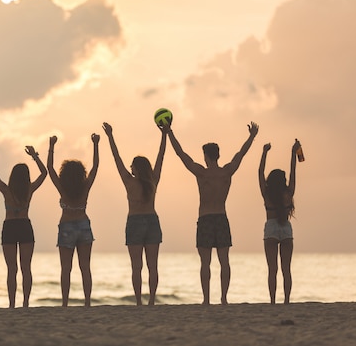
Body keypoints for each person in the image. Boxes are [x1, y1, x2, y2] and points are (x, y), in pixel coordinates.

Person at [166, 121, 259, 305]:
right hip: (221, 217)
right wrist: (251, 136)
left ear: (206, 156)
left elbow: (181, 154)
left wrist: (169, 132)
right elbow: (241, 154)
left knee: (205, 262)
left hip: (206, 219)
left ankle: (207, 300)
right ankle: (223, 299)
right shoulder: (227, 172)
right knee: (224, 261)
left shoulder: (202, 173)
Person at [102, 122, 167, 306]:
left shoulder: (130, 182)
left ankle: (139, 302)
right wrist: (164, 135)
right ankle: (151, 301)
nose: (130, 168)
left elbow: (117, 159)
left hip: (135, 223)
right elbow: (161, 155)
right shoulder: (154, 180)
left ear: (137, 168)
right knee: (152, 266)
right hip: (152, 221)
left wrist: (110, 136)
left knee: (136, 267)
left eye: (132, 166)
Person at [0, 135, 47, 308]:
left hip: (10, 227)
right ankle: (25, 303)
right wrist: (35, 156)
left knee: (11, 269)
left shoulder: (6, 190)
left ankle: (12, 304)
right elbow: (44, 173)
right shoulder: (29, 189)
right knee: (26, 268)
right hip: (25, 226)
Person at [47, 133, 100, 306]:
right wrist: (96, 144)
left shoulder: (62, 187)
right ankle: (87, 302)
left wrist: (52, 146)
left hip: (66, 227)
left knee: (66, 269)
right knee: (85, 267)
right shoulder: (85, 186)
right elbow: (95, 167)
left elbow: (50, 169)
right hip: (84, 225)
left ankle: (64, 303)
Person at [258, 140, 300, 304]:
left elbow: (260, 172)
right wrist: (293, 153)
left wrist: (264, 153)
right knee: (286, 269)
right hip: (286, 228)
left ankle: (273, 301)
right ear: (283, 181)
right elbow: (293, 172)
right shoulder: (288, 193)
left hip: (271, 229)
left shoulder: (266, 193)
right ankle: (287, 301)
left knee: (272, 270)